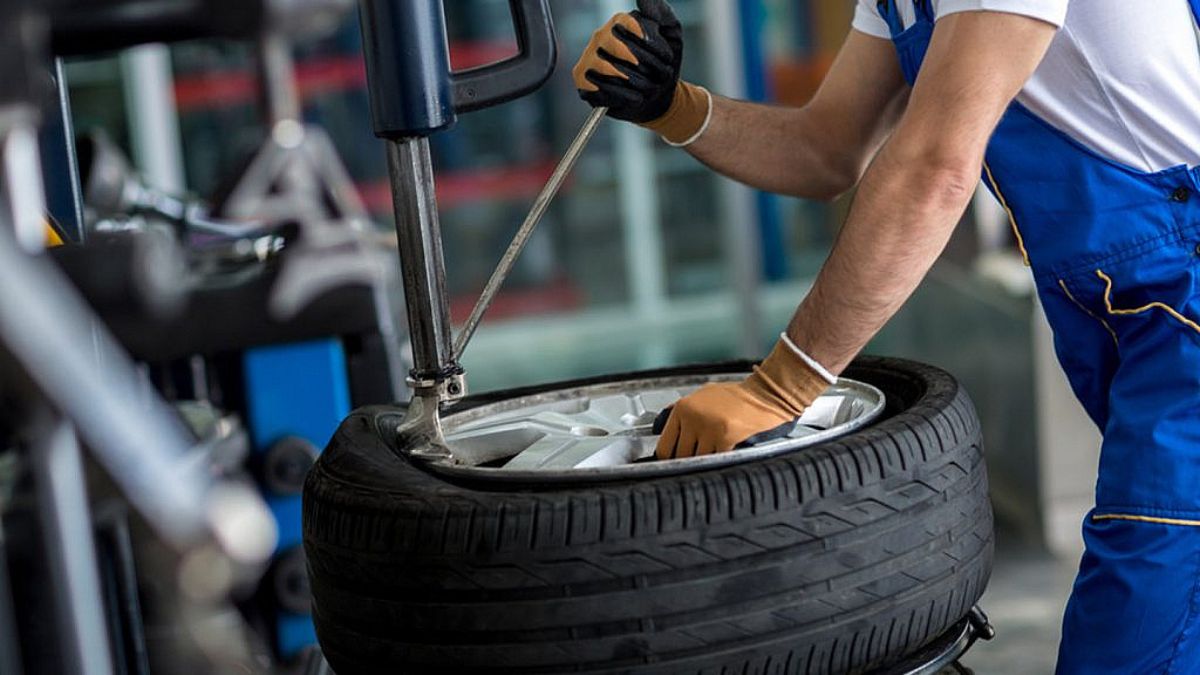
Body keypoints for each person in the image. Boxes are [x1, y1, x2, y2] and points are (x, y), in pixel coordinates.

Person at [573, 0, 1200, 672]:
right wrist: (674, 105)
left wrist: (781, 387)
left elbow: (936, 166)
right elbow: (825, 150)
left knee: (1135, 625)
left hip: (1182, 300)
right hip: (1123, 312)